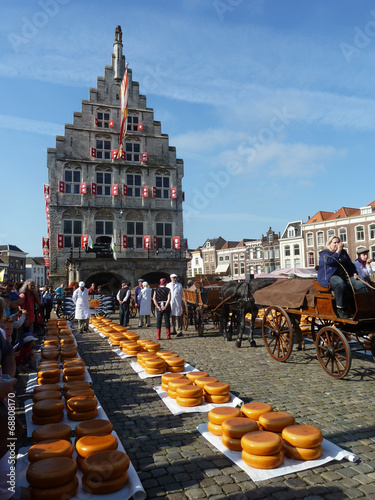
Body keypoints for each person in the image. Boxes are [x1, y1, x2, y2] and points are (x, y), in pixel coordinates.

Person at [317, 236, 368, 319]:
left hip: (346, 276)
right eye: (334, 243)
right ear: (329, 244)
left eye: (338, 242)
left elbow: (350, 265)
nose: (337, 244)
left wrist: (355, 273)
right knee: (340, 284)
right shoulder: (325, 253)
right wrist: (338, 251)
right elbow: (330, 261)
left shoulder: (344, 253)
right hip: (331, 276)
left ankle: (364, 308)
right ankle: (340, 309)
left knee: (361, 285)